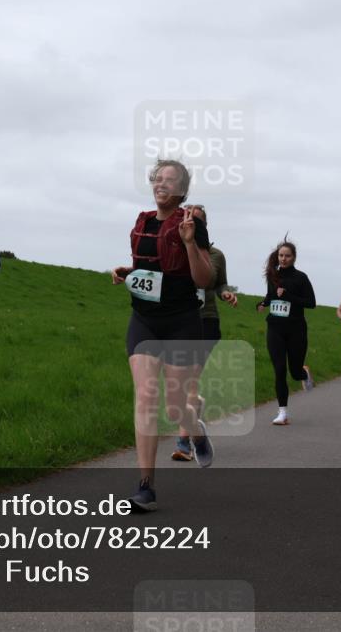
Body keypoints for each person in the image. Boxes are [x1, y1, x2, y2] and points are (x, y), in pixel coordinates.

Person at [111, 159, 214, 512]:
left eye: (170, 180)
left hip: (182, 323)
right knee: (145, 396)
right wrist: (128, 271)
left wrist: (188, 243)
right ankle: (145, 485)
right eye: (158, 178)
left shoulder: (191, 224)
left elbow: (204, 279)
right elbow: (150, 268)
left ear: (182, 190)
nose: (162, 183)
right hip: (144, 321)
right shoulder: (142, 221)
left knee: (174, 406)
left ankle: (195, 432)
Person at [172, 206, 238, 461]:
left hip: (206, 321)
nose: (189, 221)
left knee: (190, 381)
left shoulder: (216, 255)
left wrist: (226, 293)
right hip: (179, 322)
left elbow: (220, 283)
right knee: (181, 386)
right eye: (185, 216)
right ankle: (194, 421)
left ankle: (183, 443)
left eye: (195, 219)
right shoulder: (176, 251)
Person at [258, 241, 316, 426]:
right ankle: (282, 413)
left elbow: (311, 303)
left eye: (287, 256)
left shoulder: (301, 278)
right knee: (280, 370)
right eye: (281, 255)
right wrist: (263, 303)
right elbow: (271, 296)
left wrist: (288, 296)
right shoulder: (272, 276)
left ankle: (304, 374)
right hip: (275, 327)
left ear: (294, 257)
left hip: (296, 329)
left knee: (294, 372)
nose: (283, 259)